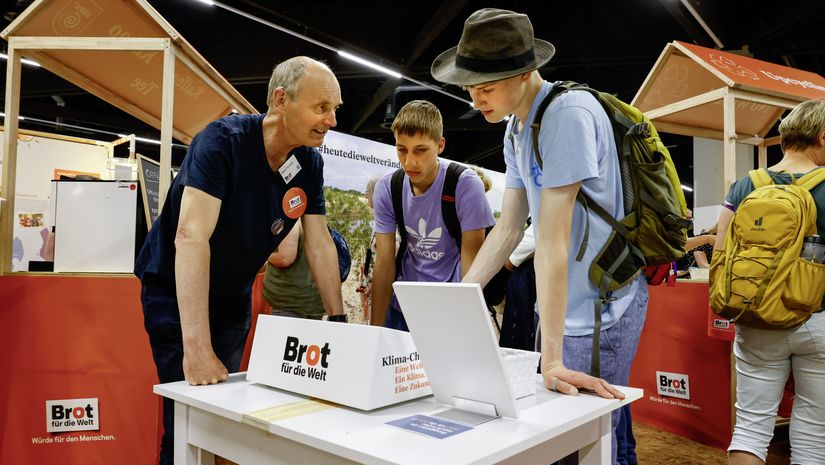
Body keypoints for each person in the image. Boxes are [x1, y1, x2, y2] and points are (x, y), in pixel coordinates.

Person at [431, 9, 648, 464]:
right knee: (575, 434)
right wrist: (460, 295)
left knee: (599, 438)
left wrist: (549, 361)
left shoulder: (567, 114)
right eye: (470, 88)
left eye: (486, 88)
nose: (475, 100)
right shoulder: (516, 127)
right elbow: (510, 227)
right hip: (562, 307)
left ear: (526, 72)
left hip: (601, 305)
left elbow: (551, 241)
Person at [134, 56, 346, 465]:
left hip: (232, 295)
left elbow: (318, 243)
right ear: (282, 100)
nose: (332, 120)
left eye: (335, 109)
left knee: (220, 421)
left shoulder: (309, 163)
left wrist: (338, 324)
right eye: (322, 107)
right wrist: (195, 347)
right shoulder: (222, 142)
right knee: (188, 416)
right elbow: (191, 236)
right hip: (176, 293)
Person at [714, 99, 825, 465]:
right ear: (822, 137)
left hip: (755, 317)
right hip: (817, 319)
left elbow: (720, 253)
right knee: (813, 433)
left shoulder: (745, 185)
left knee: (749, 428)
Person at [370, 100, 495, 329]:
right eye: (401, 149)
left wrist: (469, 327)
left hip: (451, 306)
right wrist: (375, 332)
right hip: (403, 306)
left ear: (440, 145)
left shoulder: (465, 185)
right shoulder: (388, 188)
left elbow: (473, 267)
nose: (409, 161)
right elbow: (384, 263)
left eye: (420, 150)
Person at [262, 218, 350, 319]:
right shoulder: (316, 221)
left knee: (285, 332)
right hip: (314, 301)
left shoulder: (290, 217)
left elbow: (285, 258)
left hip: (290, 299)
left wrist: (261, 255)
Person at [357, 177, 381, 320]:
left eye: (367, 191)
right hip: (371, 282)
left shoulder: (387, 221)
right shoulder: (378, 220)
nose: (366, 196)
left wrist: (372, 282)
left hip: (376, 286)